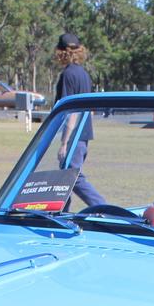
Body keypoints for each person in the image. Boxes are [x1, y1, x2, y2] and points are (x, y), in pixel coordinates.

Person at [53, 32, 106, 207]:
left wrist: (64, 142)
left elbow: (71, 111)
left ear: (61, 52)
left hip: (74, 135)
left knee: (71, 176)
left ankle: (103, 207)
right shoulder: (83, 74)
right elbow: (90, 110)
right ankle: (60, 212)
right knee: (65, 178)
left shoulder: (68, 75)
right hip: (83, 134)